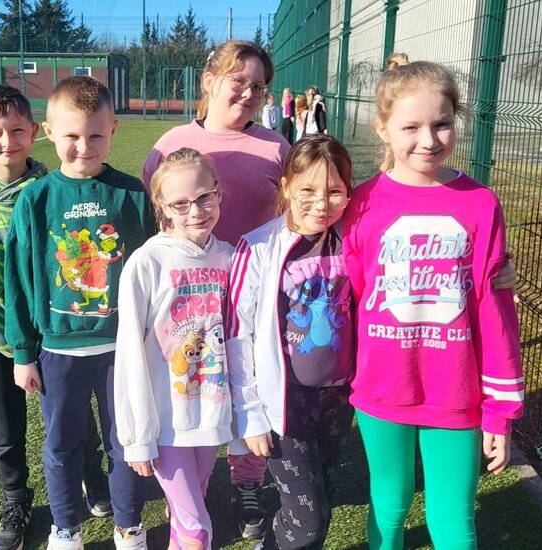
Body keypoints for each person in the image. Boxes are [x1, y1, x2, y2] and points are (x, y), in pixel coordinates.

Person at [341, 53, 524, 549]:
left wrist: (500, 410)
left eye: (441, 124)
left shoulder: (481, 204)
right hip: (381, 389)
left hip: (456, 392)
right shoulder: (360, 203)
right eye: (411, 127)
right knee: (389, 503)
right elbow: (351, 295)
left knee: (454, 519)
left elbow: (494, 313)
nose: (428, 140)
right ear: (383, 129)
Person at [0, 84, 111, 550]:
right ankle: (16, 500)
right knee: (5, 426)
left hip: (52, 334)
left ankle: (91, 475)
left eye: (17, 130)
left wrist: (40, 337)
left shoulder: (51, 190)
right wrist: (13, 344)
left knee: (75, 418)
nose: (7, 141)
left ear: (35, 132)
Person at [143, 40, 291, 539]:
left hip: (251, 296)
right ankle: (192, 488)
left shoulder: (276, 147)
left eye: (258, 86)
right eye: (238, 81)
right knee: (196, 386)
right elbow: (157, 219)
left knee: (251, 384)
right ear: (209, 81)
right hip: (190, 301)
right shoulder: (170, 144)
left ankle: (247, 481)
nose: (248, 93)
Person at [4, 76, 155, 550]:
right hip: (58, 350)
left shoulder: (132, 194)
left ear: (113, 130)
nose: (84, 147)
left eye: (95, 135)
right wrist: (23, 353)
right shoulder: (36, 199)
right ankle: (65, 527)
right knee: (61, 445)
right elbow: (19, 278)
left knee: (125, 442)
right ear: (48, 131)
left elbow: (155, 271)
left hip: (122, 349)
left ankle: (128, 525)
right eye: (71, 135)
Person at [227, 135, 356, 549]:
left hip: (339, 400)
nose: (321, 203)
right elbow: (237, 334)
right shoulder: (257, 246)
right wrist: (250, 413)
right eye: (308, 190)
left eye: (334, 191)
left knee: (322, 506)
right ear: (285, 187)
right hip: (284, 406)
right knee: (307, 520)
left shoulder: (356, 240)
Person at [115, 148, 234, 550]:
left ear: (218, 193)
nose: (195, 211)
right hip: (167, 422)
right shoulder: (147, 262)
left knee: (188, 518)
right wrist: (137, 437)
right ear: (162, 207)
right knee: (198, 530)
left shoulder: (231, 257)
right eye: (180, 203)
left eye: (204, 197)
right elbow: (129, 353)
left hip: (211, 416)